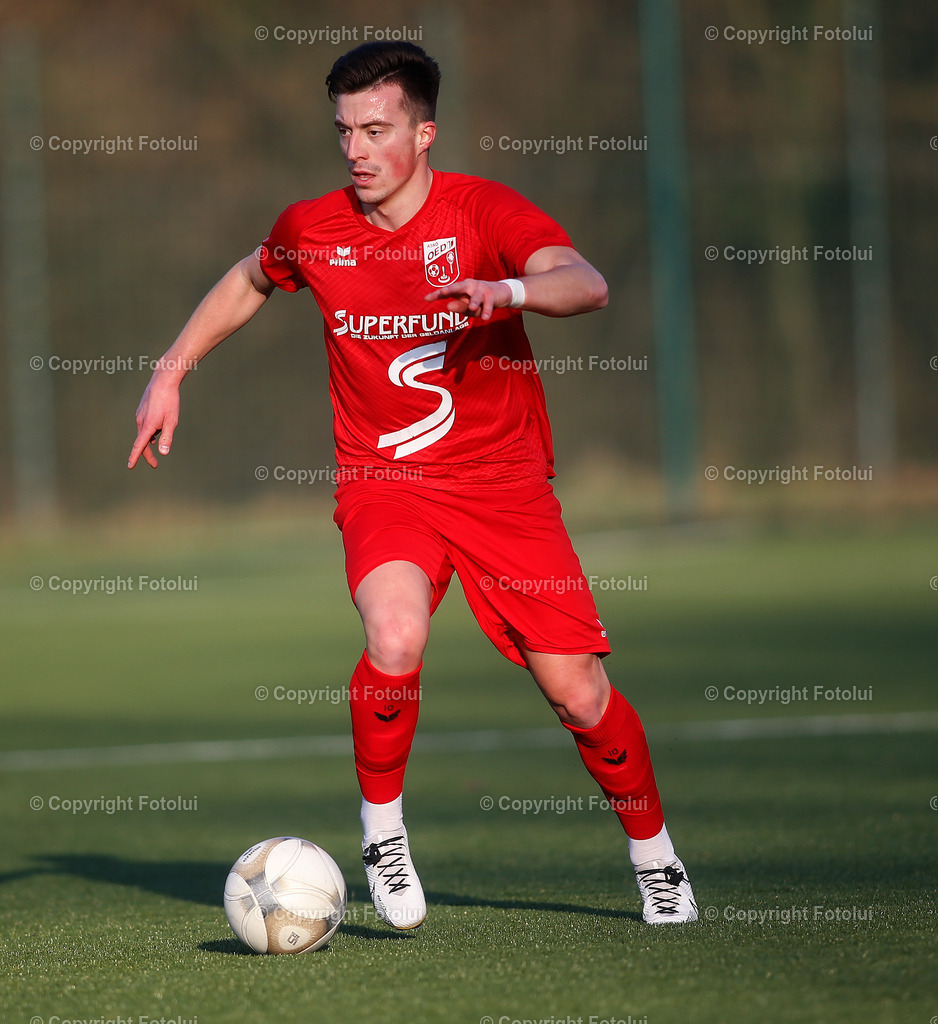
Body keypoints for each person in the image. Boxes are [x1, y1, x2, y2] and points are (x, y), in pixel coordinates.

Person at [128, 41, 697, 928]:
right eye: (345, 130)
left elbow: (585, 284)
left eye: (377, 129)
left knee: (578, 692)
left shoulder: (482, 210)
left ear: (424, 133)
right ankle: (383, 833)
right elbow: (251, 277)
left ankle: (655, 856)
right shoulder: (312, 226)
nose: (356, 149)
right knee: (393, 635)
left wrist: (507, 291)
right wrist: (171, 370)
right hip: (384, 481)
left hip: (505, 487)